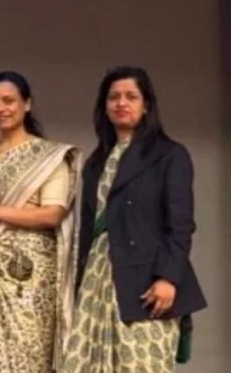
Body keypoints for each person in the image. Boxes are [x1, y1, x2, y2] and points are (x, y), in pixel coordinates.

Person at [60, 66, 208, 372]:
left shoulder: (169, 155)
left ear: (146, 105)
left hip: (147, 283)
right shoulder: (96, 162)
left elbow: (181, 224)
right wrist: (77, 286)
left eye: (131, 96)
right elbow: (87, 229)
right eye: (113, 97)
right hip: (97, 279)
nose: (121, 103)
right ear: (104, 106)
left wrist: (168, 277)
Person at [0, 71, 83, 373]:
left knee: (27, 354)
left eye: (9, 101)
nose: (0, 108)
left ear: (27, 104)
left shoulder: (49, 157)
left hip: (30, 274)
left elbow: (52, 214)